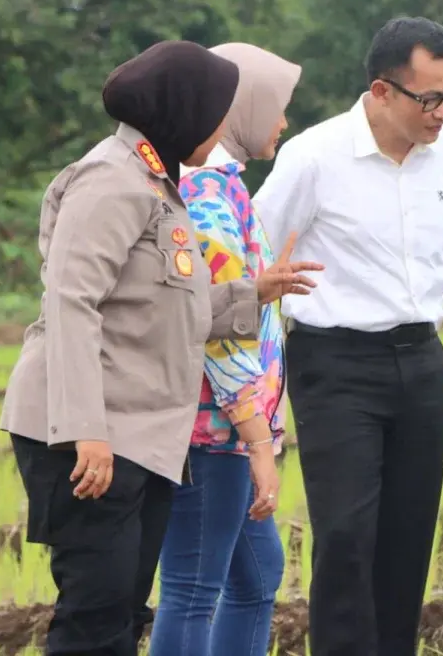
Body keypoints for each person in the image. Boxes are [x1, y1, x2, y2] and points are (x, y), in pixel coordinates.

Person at [0, 40, 322, 656]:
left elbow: (169, 308)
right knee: (95, 615)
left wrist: (253, 293)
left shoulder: (158, 182)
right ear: (184, 109)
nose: (224, 126)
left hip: (137, 435)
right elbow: (72, 302)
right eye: (216, 111)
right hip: (88, 434)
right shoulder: (111, 179)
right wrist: (85, 430)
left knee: (121, 611)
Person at [252, 16, 443, 656]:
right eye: (429, 98)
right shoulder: (314, 156)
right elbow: (258, 256)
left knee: (408, 540)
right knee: (347, 537)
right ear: (382, 92)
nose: (442, 112)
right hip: (336, 363)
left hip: (422, 359)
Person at [149, 43, 303, 656]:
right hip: (212, 429)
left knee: (257, 575)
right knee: (192, 588)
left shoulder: (226, 188)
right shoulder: (209, 196)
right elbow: (216, 327)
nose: (284, 122)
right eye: (279, 107)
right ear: (239, 106)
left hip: (228, 427)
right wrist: (256, 439)